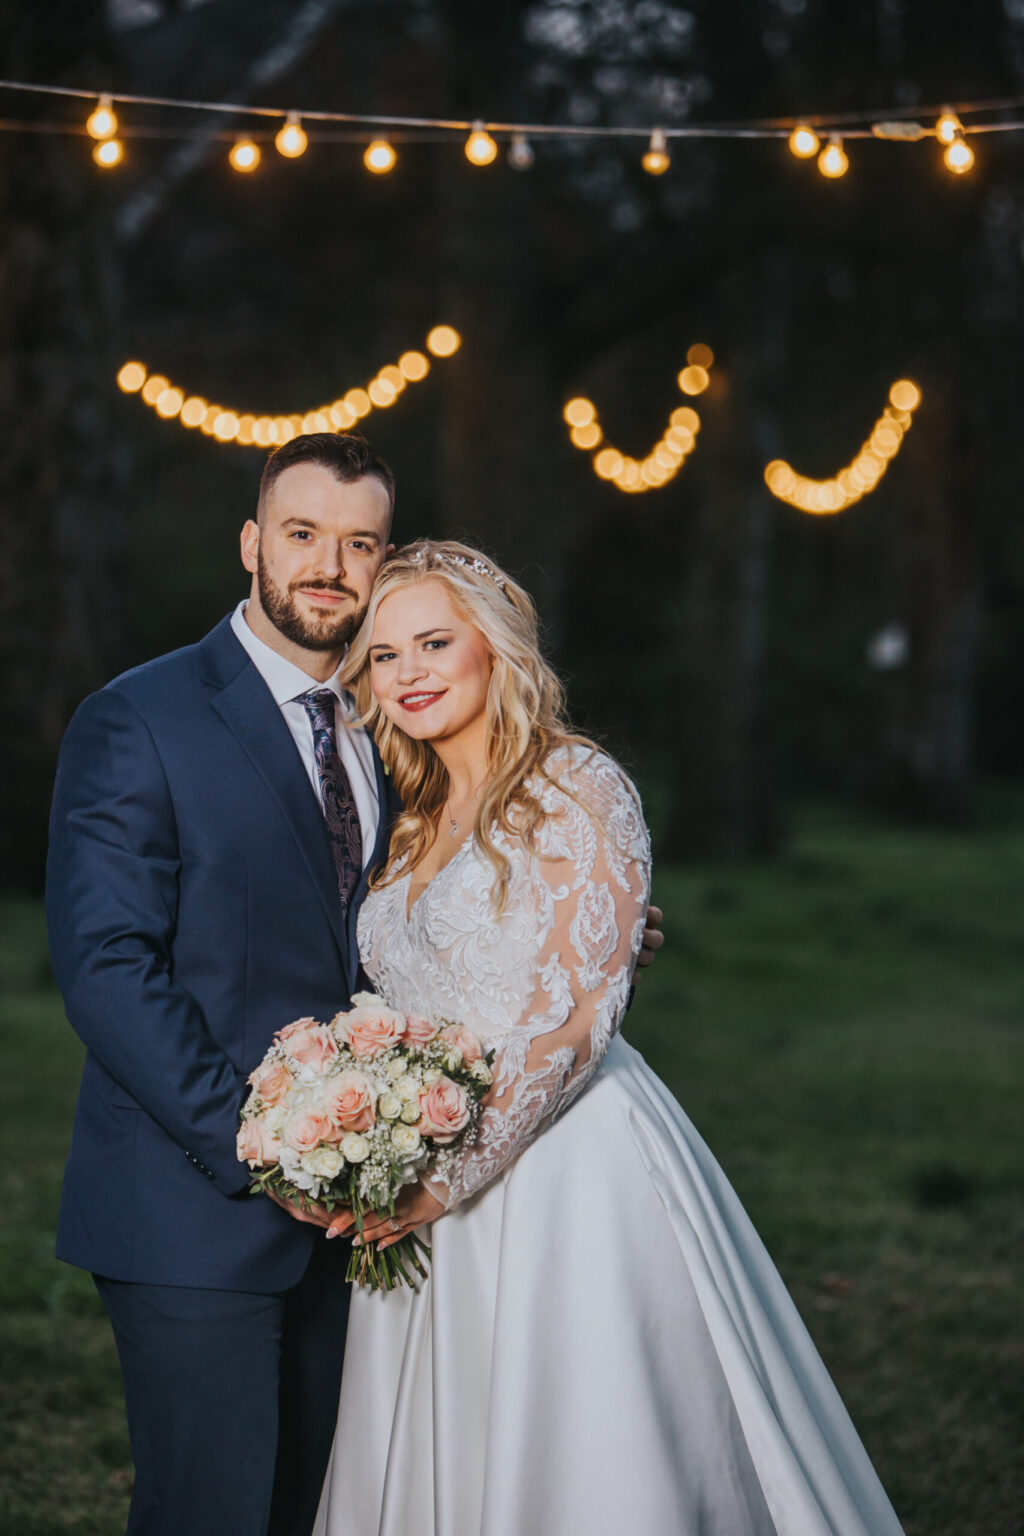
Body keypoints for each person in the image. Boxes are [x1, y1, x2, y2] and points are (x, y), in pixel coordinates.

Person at [46, 433, 663, 1536]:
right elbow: (105, 968)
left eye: (359, 543)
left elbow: (466, 909)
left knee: (342, 1505)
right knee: (212, 1509)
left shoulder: (403, 729)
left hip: (383, 1218)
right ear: (251, 544)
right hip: (197, 1205)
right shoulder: (140, 720)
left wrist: (588, 928)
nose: (328, 565)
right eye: (301, 535)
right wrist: (264, 1148)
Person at [312, 540, 906, 1536]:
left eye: (432, 642)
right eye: (382, 656)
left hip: (559, 1166)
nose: (407, 672)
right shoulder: (405, 817)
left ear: (493, 650)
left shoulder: (574, 786)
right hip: (419, 1172)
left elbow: (580, 1018)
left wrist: (446, 1182)